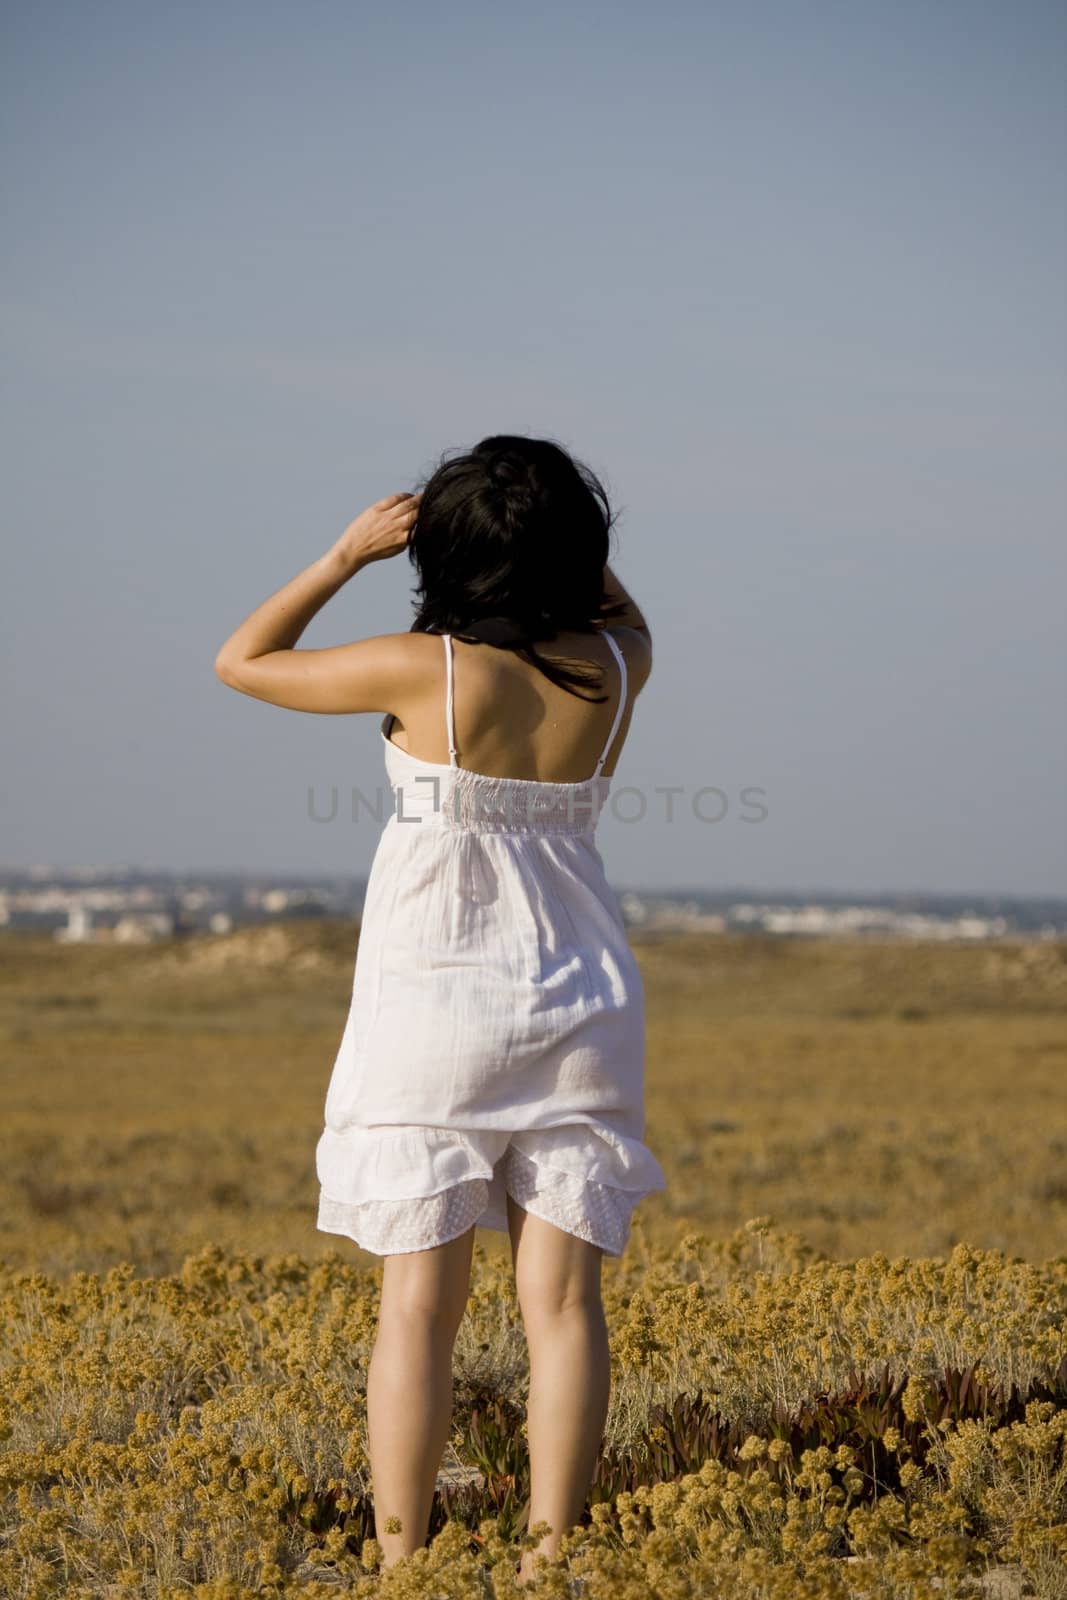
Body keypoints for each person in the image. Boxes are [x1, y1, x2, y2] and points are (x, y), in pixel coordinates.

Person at [214, 433, 666, 1585]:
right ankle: (550, 1553)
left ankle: (403, 1559)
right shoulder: (619, 662)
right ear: (578, 550)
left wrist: (346, 553)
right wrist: (554, 536)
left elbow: (242, 661)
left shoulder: (426, 668)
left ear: (448, 553)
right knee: (561, 1304)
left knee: (417, 1305)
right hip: (581, 1003)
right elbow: (601, 586)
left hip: (435, 1015)